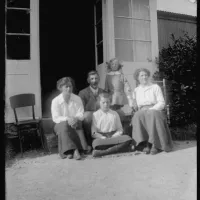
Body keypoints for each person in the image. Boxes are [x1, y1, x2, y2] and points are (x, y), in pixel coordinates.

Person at [131, 68, 173, 155]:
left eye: (146, 75)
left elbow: (161, 103)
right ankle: (144, 144)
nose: (144, 77)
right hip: (142, 110)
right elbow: (136, 106)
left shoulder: (155, 87)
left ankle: (155, 145)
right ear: (137, 78)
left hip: (155, 109)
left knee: (152, 114)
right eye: (141, 75)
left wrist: (151, 109)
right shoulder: (136, 90)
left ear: (148, 76)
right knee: (137, 115)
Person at [51, 77, 91, 160]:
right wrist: (68, 119)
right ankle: (75, 150)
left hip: (75, 122)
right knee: (64, 126)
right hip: (61, 124)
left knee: (77, 124)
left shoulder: (77, 98)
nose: (69, 89)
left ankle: (69, 152)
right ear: (60, 88)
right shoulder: (55, 101)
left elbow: (81, 113)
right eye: (66, 86)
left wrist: (75, 118)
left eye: (70, 86)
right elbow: (55, 118)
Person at [91, 92, 133, 157]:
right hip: (102, 139)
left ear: (110, 103)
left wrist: (114, 136)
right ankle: (118, 149)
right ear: (99, 103)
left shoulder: (114, 113)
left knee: (128, 139)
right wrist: (102, 137)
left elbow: (120, 129)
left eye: (107, 102)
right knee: (96, 143)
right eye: (103, 102)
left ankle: (103, 152)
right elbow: (93, 132)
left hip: (114, 137)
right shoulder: (95, 115)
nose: (106, 105)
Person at [78, 70, 104, 146]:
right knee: (87, 116)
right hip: (89, 115)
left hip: (101, 113)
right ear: (88, 81)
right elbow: (81, 109)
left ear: (99, 79)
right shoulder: (82, 93)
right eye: (92, 79)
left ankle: (105, 139)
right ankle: (89, 142)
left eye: (96, 78)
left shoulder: (103, 92)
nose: (94, 81)